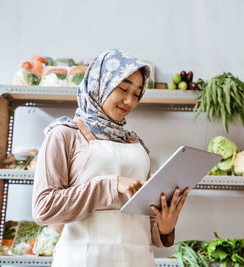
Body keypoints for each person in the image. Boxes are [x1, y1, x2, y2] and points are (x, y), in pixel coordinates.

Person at [32, 49, 189, 267]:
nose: (129, 101)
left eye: (136, 94)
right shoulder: (64, 134)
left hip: (138, 261)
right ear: (100, 84)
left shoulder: (136, 144)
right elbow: (44, 207)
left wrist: (165, 226)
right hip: (84, 260)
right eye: (123, 88)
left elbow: (149, 227)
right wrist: (111, 185)